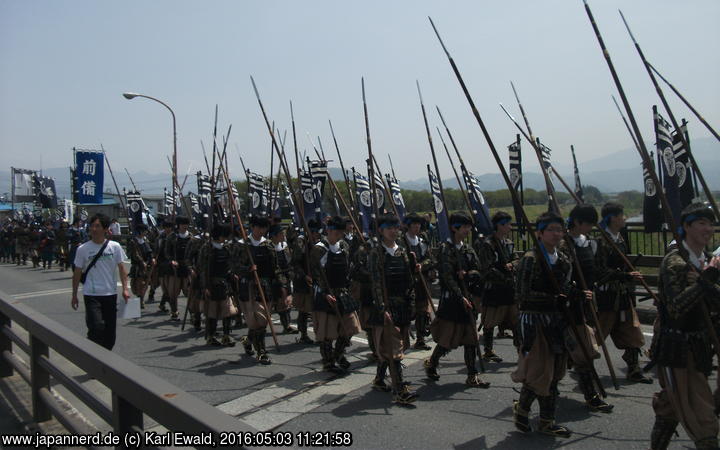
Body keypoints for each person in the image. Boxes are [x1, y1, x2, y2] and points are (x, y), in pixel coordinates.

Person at [511, 211, 591, 438]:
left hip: (556, 321)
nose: (557, 234)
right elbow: (522, 294)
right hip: (534, 321)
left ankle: (546, 420)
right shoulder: (530, 259)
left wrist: (577, 294)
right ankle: (523, 411)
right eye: (551, 230)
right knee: (539, 371)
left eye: (559, 229)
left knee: (555, 372)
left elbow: (565, 288)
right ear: (540, 233)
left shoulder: (563, 260)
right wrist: (552, 299)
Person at [648, 203, 720, 450]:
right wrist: (705, 282)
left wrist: (705, 281)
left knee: (673, 402)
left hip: (700, 344)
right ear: (687, 227)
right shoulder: (675, 262)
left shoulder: (711, 260)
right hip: (675, 344)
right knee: (700, 411)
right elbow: (676, 306)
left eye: (710, 223)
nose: (708, 229)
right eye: (701, 223)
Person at [425, 212, 489, 388]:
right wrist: (459, 293)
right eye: (465, 226)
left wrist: (468, 274)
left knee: (471, 339)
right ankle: (432, 363)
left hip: (468, 298)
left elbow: (478, 270)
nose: (468, 230)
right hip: (453, 300)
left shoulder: (468, 249)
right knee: (448, 339)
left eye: (469, 226)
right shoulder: (446, 248)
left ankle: (472, 375)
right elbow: (446, 276)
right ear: (454, 228)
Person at [561, 204, 613, 413]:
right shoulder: (563, 245)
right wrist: (575, 293)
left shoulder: (589, 244)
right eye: (588, 223)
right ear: (578, 222)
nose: (591, 227)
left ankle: (590, 395)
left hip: (587, 305)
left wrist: (620, 275)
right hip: (566, 307)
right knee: (577, 352)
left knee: (585, 350)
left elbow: (596, 271)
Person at [595, 202, 651, 383]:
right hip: (607, 296)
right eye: (621, 215)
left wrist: (628, 276)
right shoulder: (601, 241)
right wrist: (624, 274)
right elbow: (599, 271)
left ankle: (634, 369)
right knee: (597, 334)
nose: (625, 218)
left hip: (623, 295)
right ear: (612, 218)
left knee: (632, 331)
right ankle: (583, 367)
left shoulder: (619, 238)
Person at [368, 215, 418, 405]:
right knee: (393, 348)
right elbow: (376, 283)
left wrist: (415, 268)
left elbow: (408, 280)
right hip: (386, 306)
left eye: (396, 227)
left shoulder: (403, 252)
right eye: (389, 227)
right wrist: (382, 307)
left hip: (402, 305)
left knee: (398, 345)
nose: (394, 231)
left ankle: (380, 379)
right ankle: (400, 389)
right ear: (381, 230)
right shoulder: (376, 253)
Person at [71, 214, 130, 350]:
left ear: (105, 229)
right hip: (91, 294)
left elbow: (122, 268)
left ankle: (105, 361)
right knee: (96, 327)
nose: (94, 229)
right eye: (92, 226)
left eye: (97, 226)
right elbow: (77, 273)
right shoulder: (83, 249)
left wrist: (125, 289)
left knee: (110, 335)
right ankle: (93, 357)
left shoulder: (114, 247)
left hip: (110, 294)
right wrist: (74, 295)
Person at [310, 215, 362, 372]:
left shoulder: (344, 246)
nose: (338, 235)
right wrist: (325, 292)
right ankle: (328, 361)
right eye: (336, 232)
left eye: (341, 232)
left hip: (342, 292)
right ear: (328, 230)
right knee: (328, 331)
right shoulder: (319, 249)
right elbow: (315, 274)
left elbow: (348, 268)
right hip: (326, 293)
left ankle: (338, 353)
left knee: (350, 327)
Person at [475, 211, 518, 363]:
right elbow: (486, 268)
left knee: (515, 321)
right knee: (489, 322)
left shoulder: (509, 243)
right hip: (494, 288)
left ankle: (521, 350)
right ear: (498, 226)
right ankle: (488, 350)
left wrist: (512, 265)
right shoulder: (488, 244)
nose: (509, 227)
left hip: (509, 289)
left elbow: (516, 259)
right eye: (506, 224)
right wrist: (503, 274)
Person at [401, 213, 435, 351]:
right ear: (408, 226)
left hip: (422, 280)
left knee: (423, 311)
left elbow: (430, 258)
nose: (417, 227)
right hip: (408, 282)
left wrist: (422, 265)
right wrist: (410, 264)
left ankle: (420, 339)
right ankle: (403, 341)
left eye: (418, 224)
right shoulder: (402, 241)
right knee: (409, 311)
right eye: (414, 224)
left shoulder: (422, 240)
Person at [163, 216, 197, 320]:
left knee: (189, 292)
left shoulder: (192, 237)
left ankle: (192, 313)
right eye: (183, 224)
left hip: (187, 268)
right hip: (175, 268)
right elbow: (167, 252)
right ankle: (174, 311)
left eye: (186, 224)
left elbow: (195, 253)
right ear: (178, 225)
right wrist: (171, 261)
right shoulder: (172, 237)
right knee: (173, 292)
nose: (185, 226)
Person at [126, 223, 154, 309]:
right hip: (137, 266)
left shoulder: (146, 241)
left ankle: (141, 298)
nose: (145, 233)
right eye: (144, 231)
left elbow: (149, 251)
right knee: (138, 282)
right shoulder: (133, 242)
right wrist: (141, 262)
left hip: (147, 265)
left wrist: (151, 259)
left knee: (145, 283)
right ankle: (139, 298)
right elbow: (134, 254)